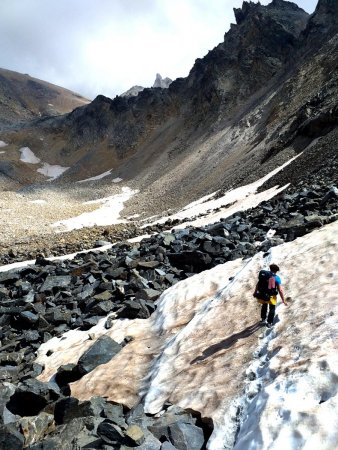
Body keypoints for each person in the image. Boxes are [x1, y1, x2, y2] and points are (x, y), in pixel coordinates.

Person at [254, 263, 288, 328]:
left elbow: (257, 285)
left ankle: (263, 319)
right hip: (272, 296)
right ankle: (269, 322)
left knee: (264, 306)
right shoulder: (277, 278)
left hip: (263, 294)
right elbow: (280, 290)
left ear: (270, 269)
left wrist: (255, 292)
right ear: (276, 271)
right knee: (272, 308)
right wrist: (283, 300)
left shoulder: (264, 275)